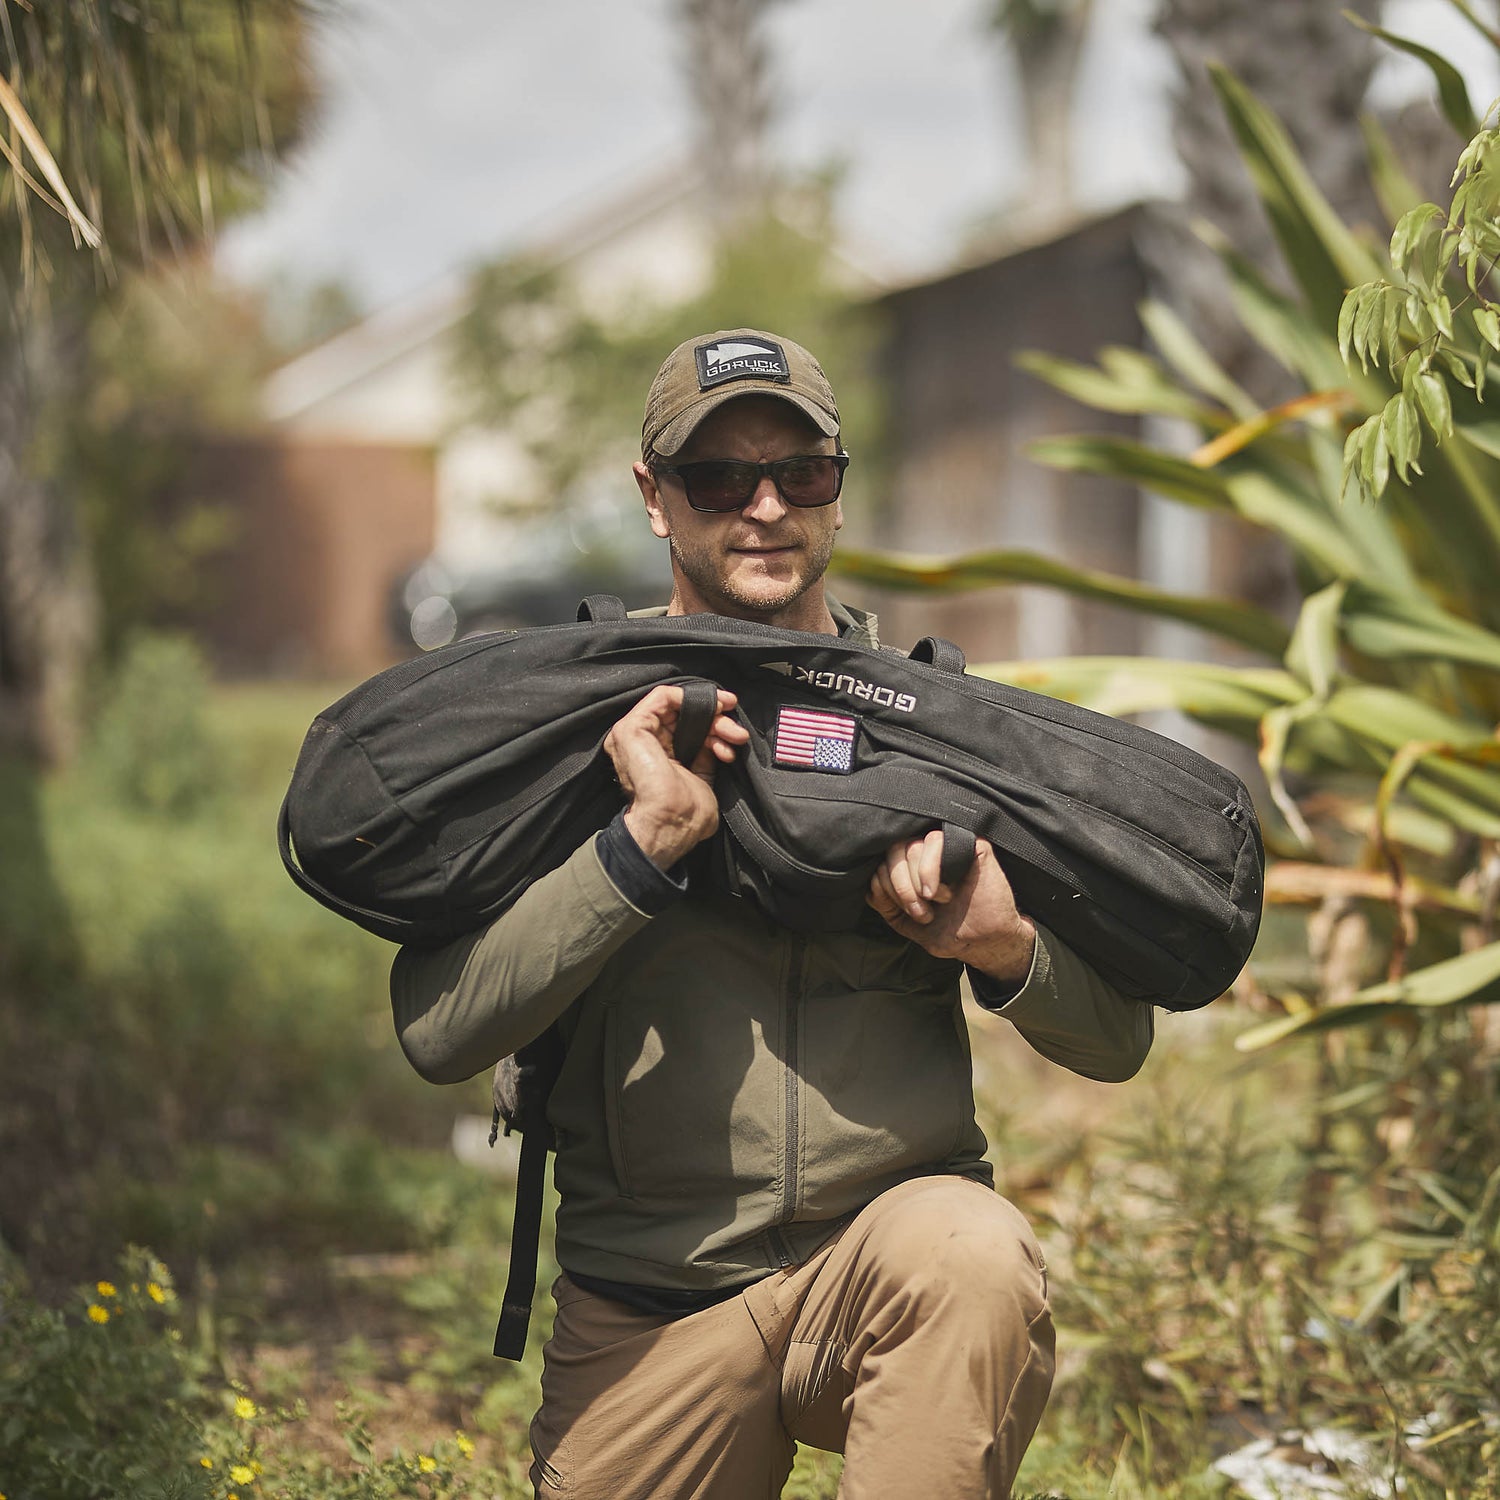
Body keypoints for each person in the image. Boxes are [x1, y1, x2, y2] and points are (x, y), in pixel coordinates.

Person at [390, 327, 1154, 1499]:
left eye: (799, 473)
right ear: (655, 498)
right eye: (719, 477)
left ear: (837, 491)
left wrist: (1000, 942)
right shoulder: (584, 725)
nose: (764, 507)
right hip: (650, 1307)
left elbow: (1121, 1040)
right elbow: (441, 1033)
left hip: (882, 1266)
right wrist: (640, 846)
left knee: (973, 1254)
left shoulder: (927, 726)